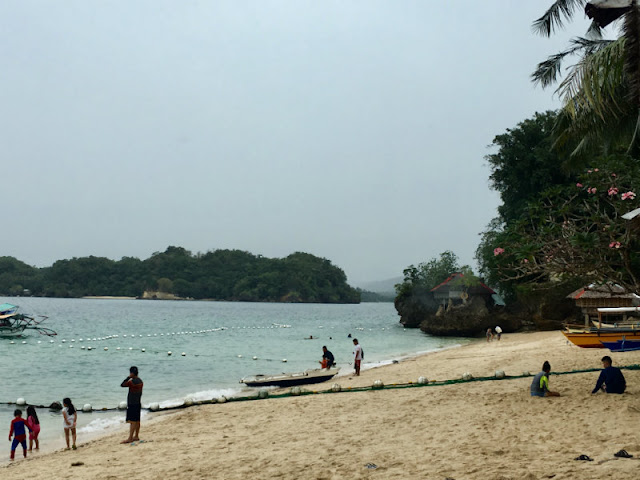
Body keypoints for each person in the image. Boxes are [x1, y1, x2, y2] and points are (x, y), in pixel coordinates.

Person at [121, 366, 144, 444]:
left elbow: (122, 384)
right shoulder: (140, 381)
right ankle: (136, 435)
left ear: (131, 373)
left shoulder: (131, 382)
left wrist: (128, 377)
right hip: (138, 402)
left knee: (132, 421)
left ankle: (130, 438)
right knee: (137, 420)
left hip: (132, 403)